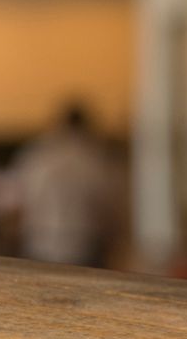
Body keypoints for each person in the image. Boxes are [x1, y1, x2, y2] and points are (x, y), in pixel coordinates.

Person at [14, 101, 122, 266]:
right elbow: (109, 205)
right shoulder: (94, 157)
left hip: (41, 241)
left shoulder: (38, 154)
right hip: (84, 245)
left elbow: (20, 197)